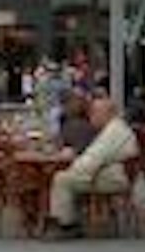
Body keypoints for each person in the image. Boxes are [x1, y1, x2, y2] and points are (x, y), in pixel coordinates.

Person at [48, 97, 139, 235]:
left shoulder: (113, 132)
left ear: (107, 114)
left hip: (112, 178)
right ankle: (70, 219)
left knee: (61, 179)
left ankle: (66, 224)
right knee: (69, 178)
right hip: (112, 174)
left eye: (95, 112)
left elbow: (94, 158)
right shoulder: (116, 128)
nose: (91, 116)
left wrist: (73, 167)